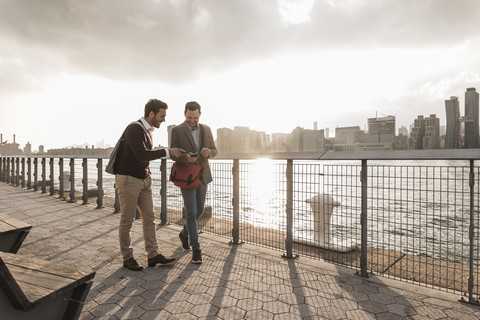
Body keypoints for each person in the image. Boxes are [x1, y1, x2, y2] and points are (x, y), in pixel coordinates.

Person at [115, 99, 184, 271]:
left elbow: (143, 156)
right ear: (151, 114)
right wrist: (168, 151)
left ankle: (153, 255)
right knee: (127, 220)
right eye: (162, 116)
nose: (164, 120)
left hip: (144, 180)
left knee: (150, 218)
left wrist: (148, 176)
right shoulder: (134, 129)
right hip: (129, 180)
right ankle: (128, 257)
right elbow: (140, 154)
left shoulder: (147, 131)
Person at [170, 101, 218, 264]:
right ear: (185, 114)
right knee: (191, 212)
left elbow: (214, 151)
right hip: (187, 176)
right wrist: (186, 158)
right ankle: (196, 249)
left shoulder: (206, 129)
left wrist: (208, 152)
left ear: (200, 114)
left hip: (203, 176)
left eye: (195, 118)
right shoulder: (176, 130)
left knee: (198, 212)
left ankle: (184, 234)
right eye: (189, 117)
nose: (192, 121)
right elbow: (172, 154)